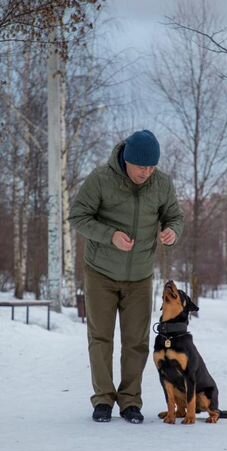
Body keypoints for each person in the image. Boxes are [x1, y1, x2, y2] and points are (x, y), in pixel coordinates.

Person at [69, 130, 184, 423]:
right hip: (101, 273)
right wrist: (110, 236)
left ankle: (131, 401)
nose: (146, 172)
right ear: (126, 160)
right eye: (141, 166)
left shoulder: (162, 184)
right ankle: (103, 400)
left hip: (140, 276)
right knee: (100, 338)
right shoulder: (100, 179)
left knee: (136, 341)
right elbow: (78, 216)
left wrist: (173, 231)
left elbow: (175, 216)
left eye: (151, 167)